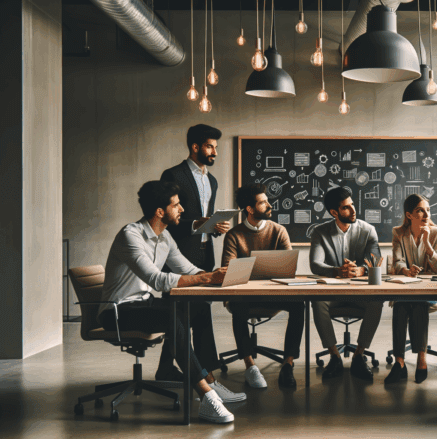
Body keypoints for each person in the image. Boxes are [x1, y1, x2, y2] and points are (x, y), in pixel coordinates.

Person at [98, 181, 246, 423]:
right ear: (159, 211)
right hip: (116, 311)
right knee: (171, 315)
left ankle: (207, 380)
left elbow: (188, 269)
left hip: (143, 304)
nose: (182, 210)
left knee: (196, 306)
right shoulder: (130, 235)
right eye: (176, 205)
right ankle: (207, 396)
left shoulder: (165, 237)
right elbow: (157, 280)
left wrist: (220, 274)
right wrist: (208, 277)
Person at [157, 124, 230, 381]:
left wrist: (214, 227)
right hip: (178, 252)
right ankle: (204, 371)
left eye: (216, 148)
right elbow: (165, 219)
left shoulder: (211, 180)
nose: (215, 153)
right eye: (210, 147)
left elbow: (203, 221)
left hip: (203, 253)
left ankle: (172, 368)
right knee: (181, 315)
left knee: (195, 312)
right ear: (195, 147)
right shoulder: (173, 175)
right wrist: (196, 224)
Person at [221, 183, 303, 389]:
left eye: (267, 201)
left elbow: (287, 268)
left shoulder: (279, 231)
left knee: (299, 304)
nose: (269, 205)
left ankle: (288, 364)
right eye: (263, 202)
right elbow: (228, 271)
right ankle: (250, 366)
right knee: (237, 306)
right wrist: (266, 266)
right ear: (250, 209)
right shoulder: (234, 235)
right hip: (244, 295)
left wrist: (249, 268)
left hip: (274, 293)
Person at [309, 187, 384, 382]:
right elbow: (315, 264)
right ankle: (334, 356)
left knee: (377, 300)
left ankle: (360, 354)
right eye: (346, 208)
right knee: (317, 301)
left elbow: (375, 259)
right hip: (333, 293)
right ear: (334, 212)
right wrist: (337, 271)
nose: (353, 211)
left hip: (360, 293)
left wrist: (360, 270)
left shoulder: (368, 230)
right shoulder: (320, 232)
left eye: (352, 205)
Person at [385, 194, 437, 384]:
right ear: (409, 215)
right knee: (401, 305)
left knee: (419, 302)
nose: (426, 214)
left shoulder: (436, 232)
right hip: (406, 287)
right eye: (420, 210)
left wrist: (428, 245)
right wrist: (406, 269)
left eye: (427, 209)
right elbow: (397, 261)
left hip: (427, 290)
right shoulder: (399, 233)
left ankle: (422, 358)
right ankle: (400, 363)